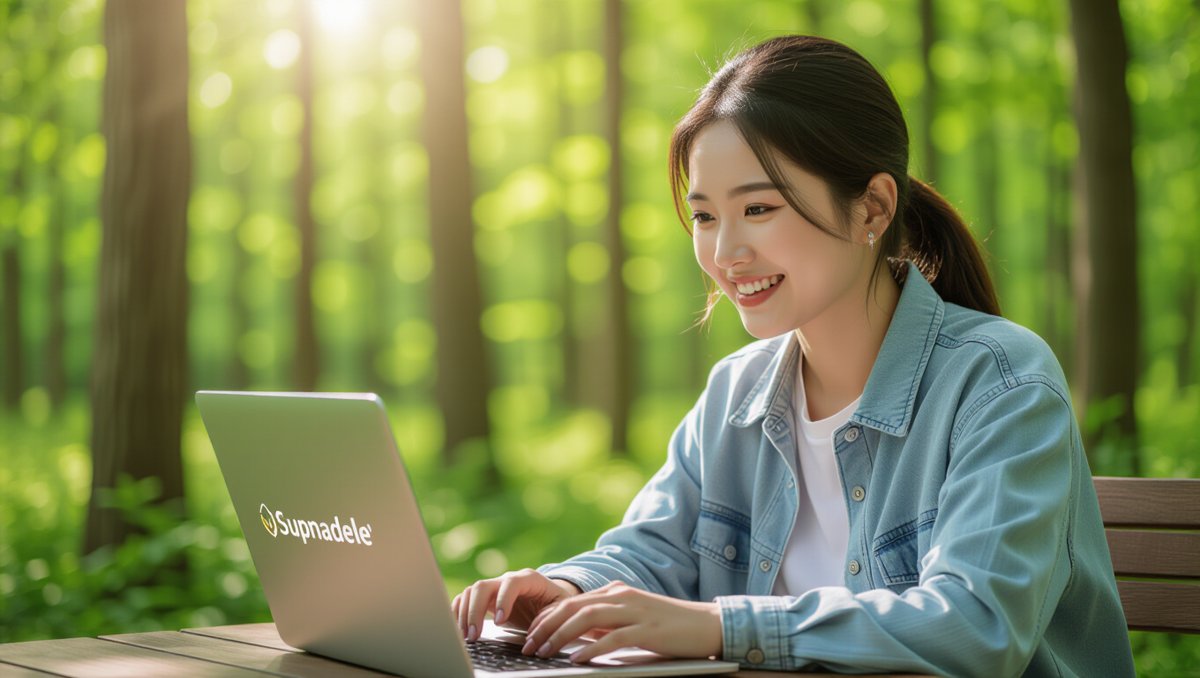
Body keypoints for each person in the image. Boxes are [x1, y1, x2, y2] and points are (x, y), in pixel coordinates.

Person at [451, 35, 1135, 676]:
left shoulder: (998, 382)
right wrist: (566, 586)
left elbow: (980, 624)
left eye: (758, 209)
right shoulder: (736, 392)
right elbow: (654, 547)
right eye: (705, 216)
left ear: (872, 208)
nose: (725, 254)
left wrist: (722, 627)